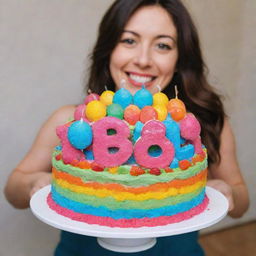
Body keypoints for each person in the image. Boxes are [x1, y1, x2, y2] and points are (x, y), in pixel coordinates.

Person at [4, 0, 249, 255]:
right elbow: (13, 189)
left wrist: (227, 191)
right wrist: (35, 181)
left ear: (180, 58)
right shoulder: (70, 121)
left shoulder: (200, 124)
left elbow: (242, 202)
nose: (143, 60)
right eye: (129, 40)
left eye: (163, 45)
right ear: (108, 48)